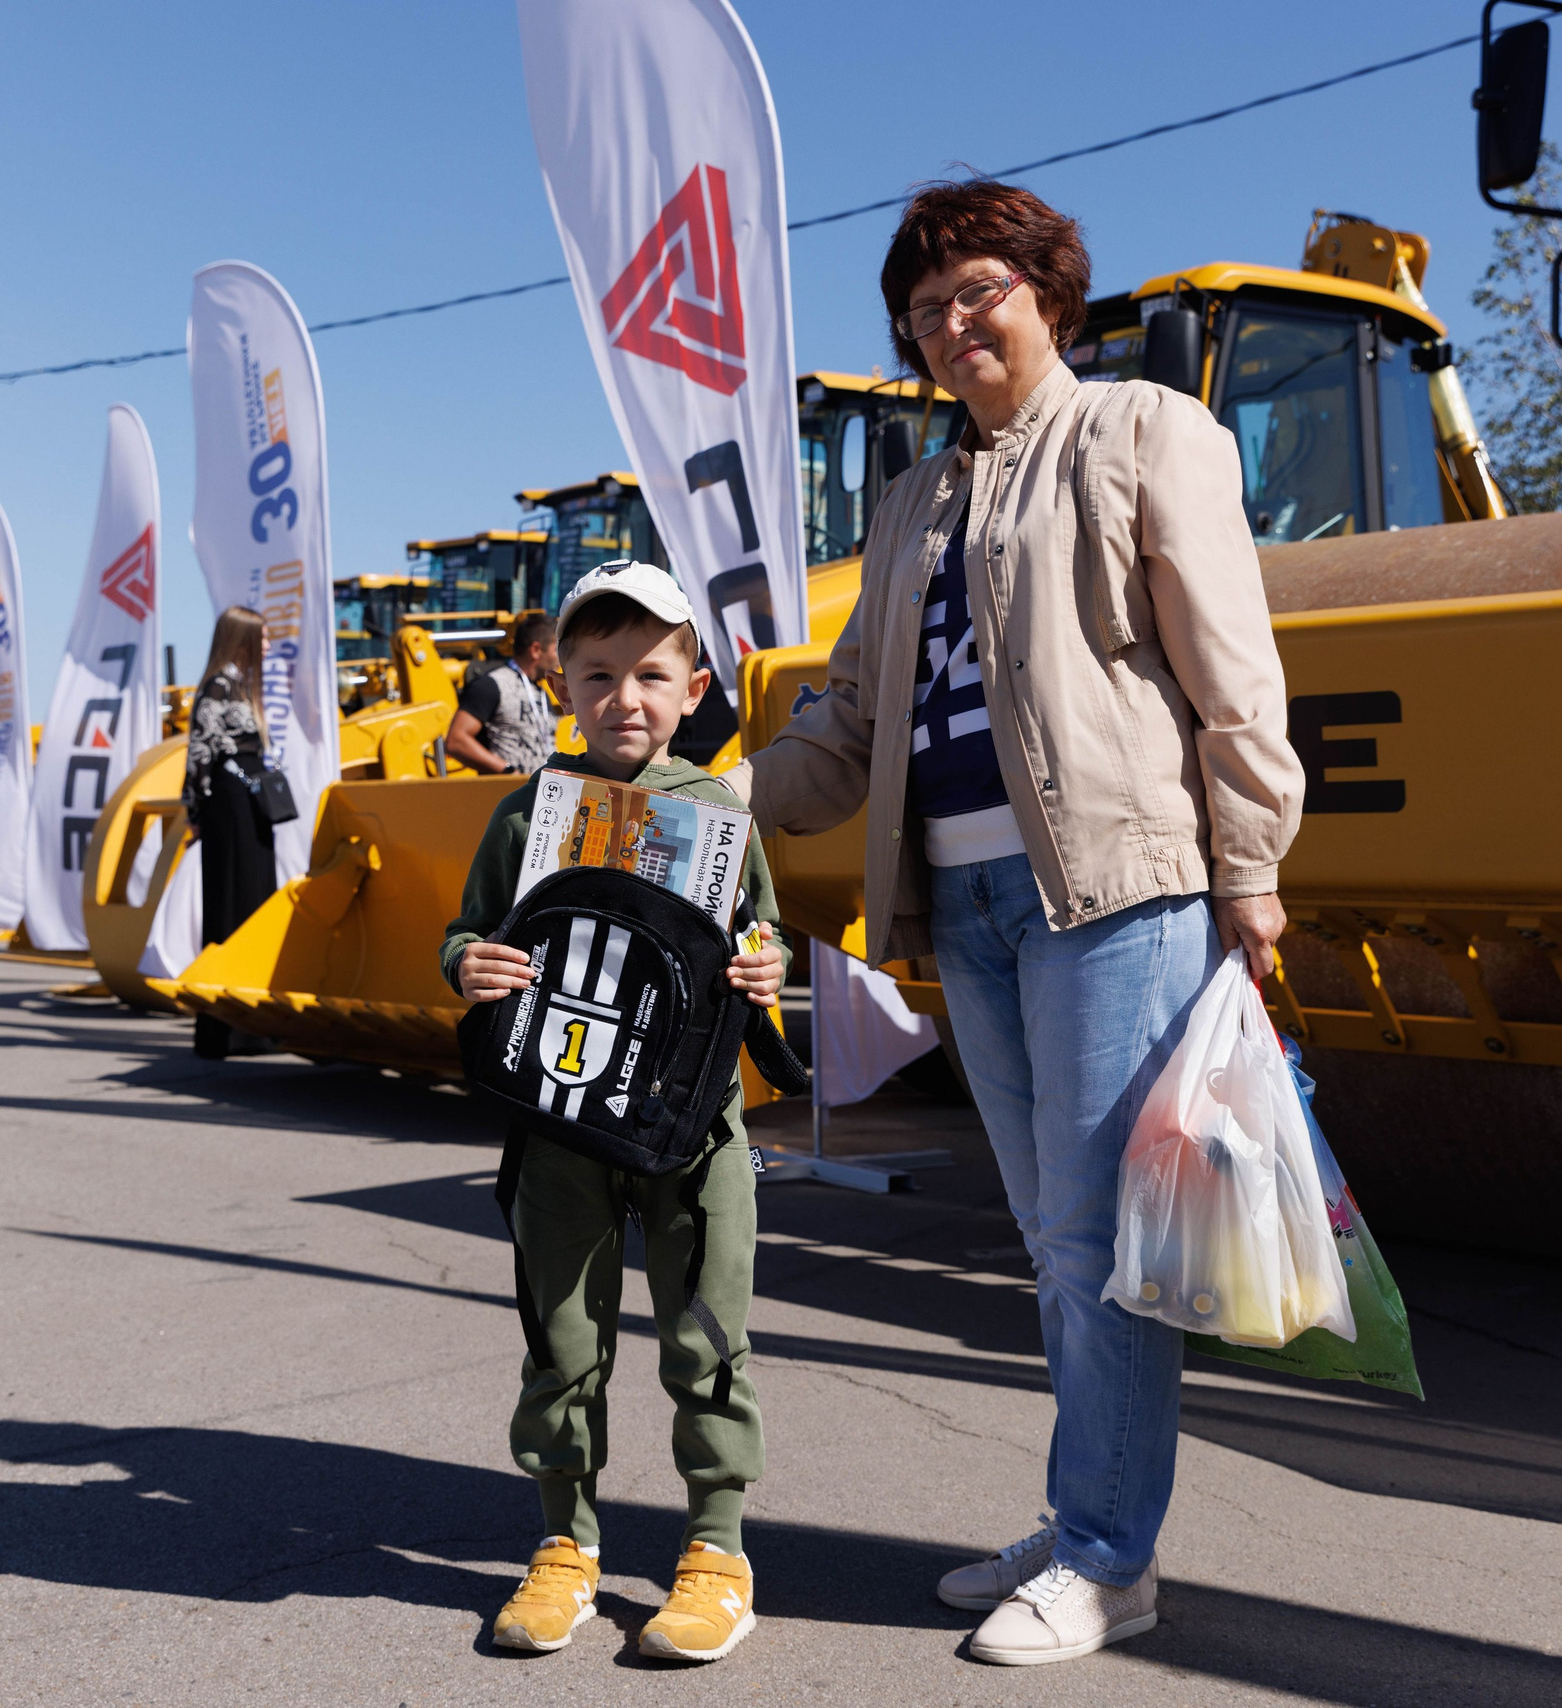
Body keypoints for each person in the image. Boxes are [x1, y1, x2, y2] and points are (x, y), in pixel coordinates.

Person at [732, 180, 1304, 1666]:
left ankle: (1113, 1558)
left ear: (1048, 290)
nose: (950, 325)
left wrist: (1251, 866)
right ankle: (1085, 1518)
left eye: (976, 289)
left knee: (1099, 1230)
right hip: (966, 898)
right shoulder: (918, 499)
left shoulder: (1140, 432)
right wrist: (704, 804)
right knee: (1057, 1241)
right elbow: (851, 723)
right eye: (923, 313)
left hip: (1115, 889)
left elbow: (1233, 671)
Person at [442, 561, 789, 1664]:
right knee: (563, 1341)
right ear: (563, 684)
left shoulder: (722, 815)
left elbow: (765, 936)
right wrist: (471, 965)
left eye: (650, 672)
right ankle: (564, 1547)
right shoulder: (525, 812)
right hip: (560, 1124)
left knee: (707, 1340)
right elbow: (466, 934)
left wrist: (766, 967)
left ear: (693, 687)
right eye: (598, 674)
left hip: (696, 1129)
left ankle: (716, 1552)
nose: (623, 697)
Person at [184, 605, 282, 1060]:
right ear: (241, 639)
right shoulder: (220, 686)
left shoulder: (239, 686)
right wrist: (196, 811)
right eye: (260, 638)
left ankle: (249, 1025)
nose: (267, 646)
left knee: (253, 901)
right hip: (230, 803)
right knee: (230, 902)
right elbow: (199, 752)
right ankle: (221, 1029)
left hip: (250, 802)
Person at [447, 610, 560, 775]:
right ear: (536, 650)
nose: (560, 658)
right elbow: (456, 741)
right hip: (505, 795)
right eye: (556, 650)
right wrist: (507, 770)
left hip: (543, 795)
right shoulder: (491, 685)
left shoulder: (542, 694)